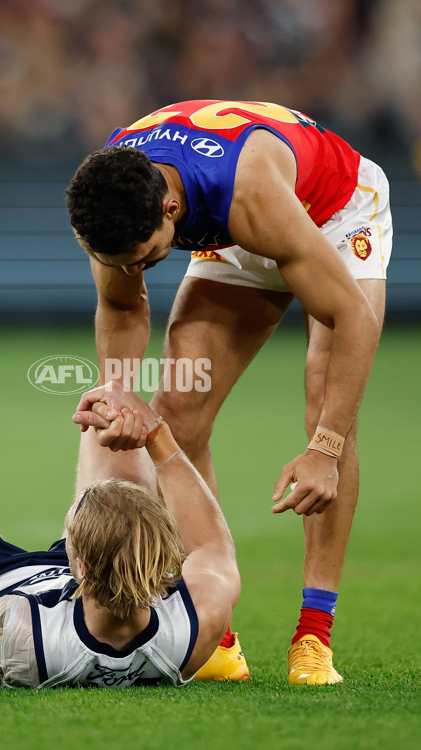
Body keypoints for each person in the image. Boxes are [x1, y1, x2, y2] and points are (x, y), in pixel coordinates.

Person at [66, 99, 393, 684]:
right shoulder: (113, 195)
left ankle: (314, 636)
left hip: (333, 214)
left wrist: (326, 447)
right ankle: (217, 635)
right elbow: (120, 301)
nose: (137, 268)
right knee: (176, 415)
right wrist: (118, 390)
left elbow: (353, 319)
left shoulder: (248, 195)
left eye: (147, 256)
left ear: (170, 209)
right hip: (233, 228)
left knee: (326, 403)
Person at [0, 385, 240, 687]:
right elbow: (210, 546)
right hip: (98, 572)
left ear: (77, 563)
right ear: (162, 556)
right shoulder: (194, 622)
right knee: (107, 423)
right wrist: (155, 433)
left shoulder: (7, 631)